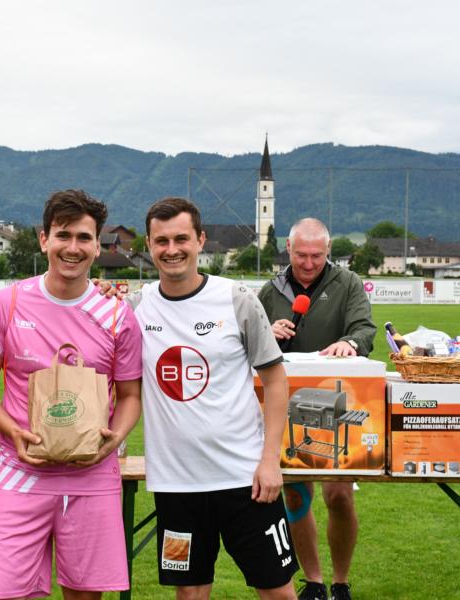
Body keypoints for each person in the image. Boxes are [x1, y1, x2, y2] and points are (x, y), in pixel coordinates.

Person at [0, 189, 143, 600]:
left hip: (91, 476)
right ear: (44, 239)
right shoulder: (8, 303)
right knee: (2, 595)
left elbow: (130, 396)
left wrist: (115, 439)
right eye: (63, 235)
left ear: (98, 246)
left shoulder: (116, 314)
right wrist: (13, 431)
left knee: (84, 596)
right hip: (18, 472)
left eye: (84, 237)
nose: (73, 247)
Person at [126, 197, 297, 600]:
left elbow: (275, 381)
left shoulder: (236, 299)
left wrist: (270, 460)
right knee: (190, 594)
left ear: (200, 240)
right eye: (161, 241)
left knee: (278, 592)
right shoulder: (136, 307)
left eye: (181, 239)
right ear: (149, 245)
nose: (172, 249)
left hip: (246, 479)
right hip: (176, 486)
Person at [257, 217, 376, 600]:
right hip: (285, 405)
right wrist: (266, 334)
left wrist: (350, 344)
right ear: (288, 249)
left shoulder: (348, 283)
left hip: (339, 401)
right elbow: (245, 340)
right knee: (295, 497)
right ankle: (314, 582)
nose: (308, 263)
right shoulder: (270, 291)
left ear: (328, 251)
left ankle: (341, 582)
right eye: (301, 255)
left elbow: (365, 329)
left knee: (338, 495)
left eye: (317, 256)